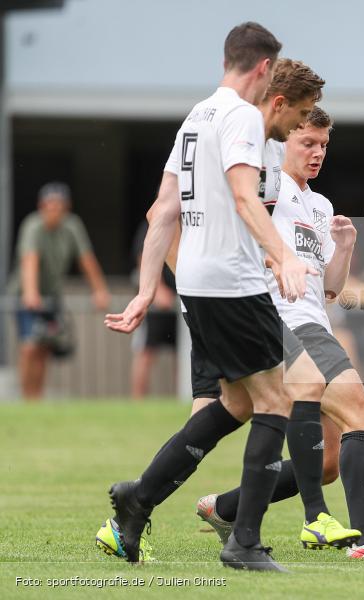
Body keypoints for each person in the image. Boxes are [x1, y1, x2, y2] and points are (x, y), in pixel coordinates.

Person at [97, 56, 330, 564]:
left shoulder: (199, 118)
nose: (301, 126)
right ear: (278, 100)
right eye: (303, 114)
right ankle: (244, 538)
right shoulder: (241, 122)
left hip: (207, 289)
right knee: (277, 400)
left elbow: (164, 208)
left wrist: (147, 289)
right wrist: (281, 257)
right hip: (232, 286)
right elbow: (242, 202)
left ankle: (137, 501)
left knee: (237, 404)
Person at [196, 107, 364, 560]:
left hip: (314, 321)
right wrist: (266, 259)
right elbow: (240, 229)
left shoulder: (320, 206)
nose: (317, 153)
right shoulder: (268, 185)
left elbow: (331, 289)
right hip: (282, 322)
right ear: (284, 140)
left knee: (326, 464)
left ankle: (223, 508)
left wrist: (345, 247)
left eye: (323, 145)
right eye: (307, 143)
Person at [8, 182, 109, 400]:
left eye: (58, 205)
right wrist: (31, 292)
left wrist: (99, 290)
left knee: (46, 346)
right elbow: (29, 260)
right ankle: (25, 398)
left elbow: (86, 259)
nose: (54, 210)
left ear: (67, 207)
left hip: (52, 296)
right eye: (49, 205)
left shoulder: (72, 225)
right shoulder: (32, 225)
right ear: (41, 206)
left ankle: (36, 398)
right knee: (29, 345)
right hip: (25, 295)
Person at [129, 220, 177, 400]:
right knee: (146, 351)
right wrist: (157, 290)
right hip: (156, 302)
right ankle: (138, 402)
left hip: (183, 301)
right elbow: (146, 254)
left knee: (185, 353)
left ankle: (187, 398)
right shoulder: (155, 220)